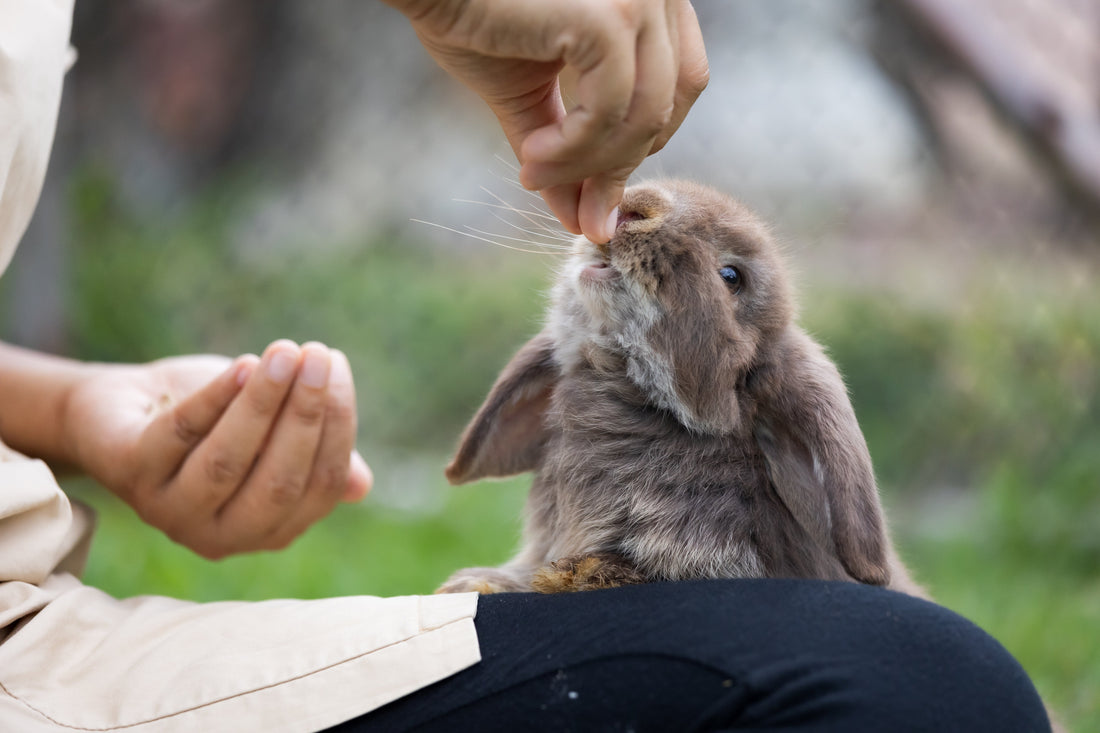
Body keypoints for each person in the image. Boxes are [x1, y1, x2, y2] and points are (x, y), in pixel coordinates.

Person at [0, 1, 1051, 731]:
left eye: (726, 277)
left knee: (924, 677)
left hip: (51, 631)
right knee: (927, 684)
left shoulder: (779, 401)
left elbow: (862, 564)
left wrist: (68, 408)